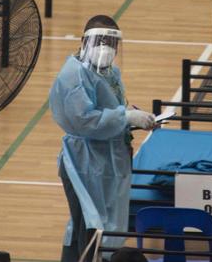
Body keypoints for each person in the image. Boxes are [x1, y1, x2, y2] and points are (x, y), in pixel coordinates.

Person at [49, 15, 156, 262]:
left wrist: (131, 119)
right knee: (88, 227)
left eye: (111, 42)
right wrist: (125, 117)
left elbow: (110, 107)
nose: (106, 47)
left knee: (102, 225)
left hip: (105, 158)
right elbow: (84, 120)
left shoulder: (110, 72)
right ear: (84, 41)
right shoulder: (74, 75)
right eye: (100, 40)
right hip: (83, 160)